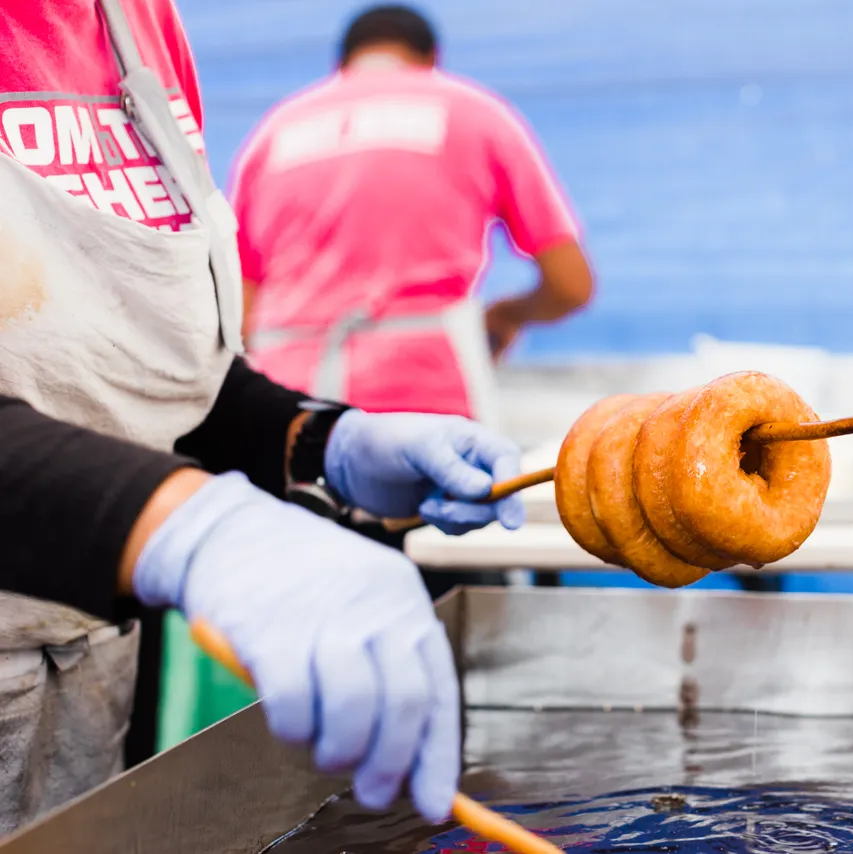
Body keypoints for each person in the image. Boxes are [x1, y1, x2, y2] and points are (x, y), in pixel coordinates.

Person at [0, 0, 514, 835]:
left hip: (82, 692)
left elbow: (155, 372)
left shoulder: (138, 25)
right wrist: (194, 528)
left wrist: (319, 440)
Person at [233, 4, 594, 429]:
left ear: (341, 65)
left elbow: (238, 311)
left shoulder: (275, 131)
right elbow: (571, 284)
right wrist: (505, 316)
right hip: (425, 404)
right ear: (430, 61)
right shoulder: (473, 113)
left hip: (286, 413)